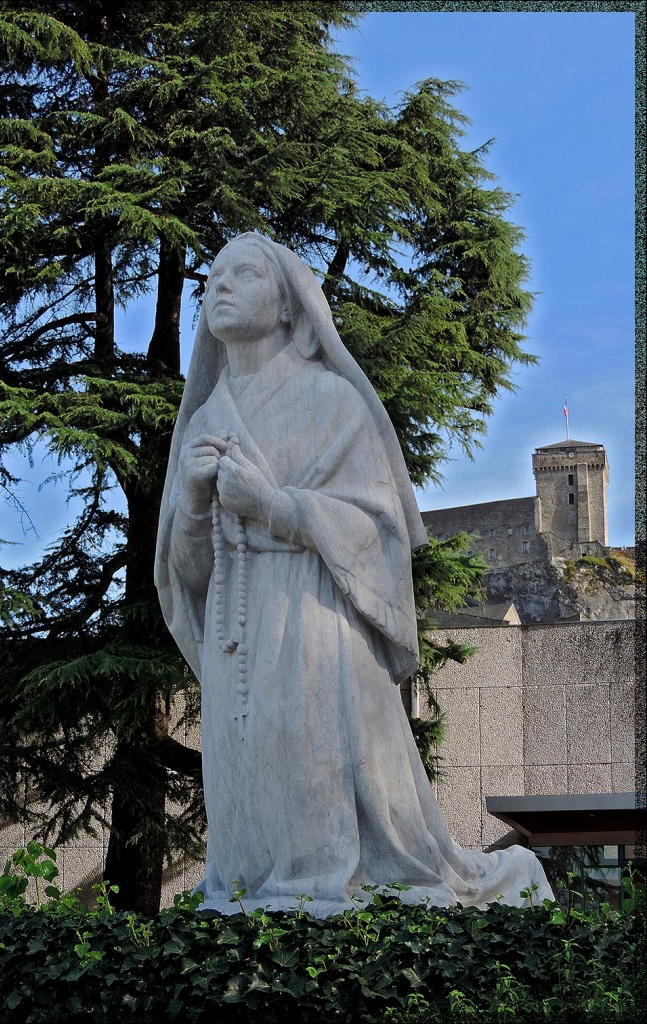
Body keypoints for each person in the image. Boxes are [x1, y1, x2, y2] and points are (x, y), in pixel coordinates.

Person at [155, 233, 552, 917]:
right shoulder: (205, 423)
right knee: (245, 786)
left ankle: (321, 897)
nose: (218, 285)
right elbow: (188, 576)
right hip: (235, 635)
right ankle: (248, 891)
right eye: (212, 276)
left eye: (242, 273)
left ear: (287, 307)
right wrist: (192, 503)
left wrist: (275, 507)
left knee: (310, 774)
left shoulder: (334, 402)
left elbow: (379, 531)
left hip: (312, 622)